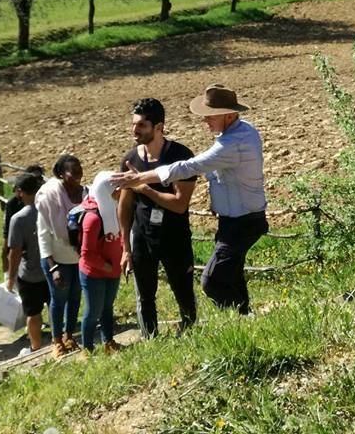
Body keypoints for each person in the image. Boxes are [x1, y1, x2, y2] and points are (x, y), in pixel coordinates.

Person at [112, 85, 268, 315]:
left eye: (210, 116)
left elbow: (190, 167)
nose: (205, 121)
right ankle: (244, 315)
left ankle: (242, 317)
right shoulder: (240, 132)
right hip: (235, 220)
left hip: (241, 223)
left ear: (228, 115)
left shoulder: (232, 143)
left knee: (212, 281)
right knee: (231, 275)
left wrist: (141, 179)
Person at [117, 98, 198, 338]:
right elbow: (125, 205)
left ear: (159, 127)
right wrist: (126, 248)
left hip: (174, 236)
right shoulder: (130, 160)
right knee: (144, 295)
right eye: (133, 124)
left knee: (183, 289)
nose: (135, 130)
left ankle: (191, 333)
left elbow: (180, 204)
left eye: (141, 125)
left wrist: (145, 189)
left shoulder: (180, 157)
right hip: (142, 236)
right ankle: (149, 339)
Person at [36, 154, 85, 357]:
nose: (78, 174)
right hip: (56, 260)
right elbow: (43, 235)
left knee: (75, 298)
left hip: (79, 257)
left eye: (80, 169)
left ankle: (69, 336)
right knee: (58, 300)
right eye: (73, 171)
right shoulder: (50, 198)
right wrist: (53, 267)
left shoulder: (85, 194)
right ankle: (56, 341)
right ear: (61, 174)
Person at [5, 172, 48, 355]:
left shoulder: (19, 219)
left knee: (33, 313)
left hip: (30, 274)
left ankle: (35, 348)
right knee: (55, 307)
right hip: (52, 268)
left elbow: (14, 252)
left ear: (20, 192)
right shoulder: (48, 209)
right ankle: (61, 340)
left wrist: (10, 277)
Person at [78, 187, 124, 353]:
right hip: (94, 273)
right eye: (116, 190)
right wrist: (107, 267)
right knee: (93, 312)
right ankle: (87, 349)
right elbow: (87, 254)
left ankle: (108, 342)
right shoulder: (93, 218)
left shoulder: (115, 210)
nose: (120, 194)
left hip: (113, 271)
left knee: (107, 308)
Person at [2, 164, 45, 275]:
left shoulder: (46, 201)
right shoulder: (13, 204)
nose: (37, 183)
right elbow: (8, 233)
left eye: (39, 179)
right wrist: (5, 256)